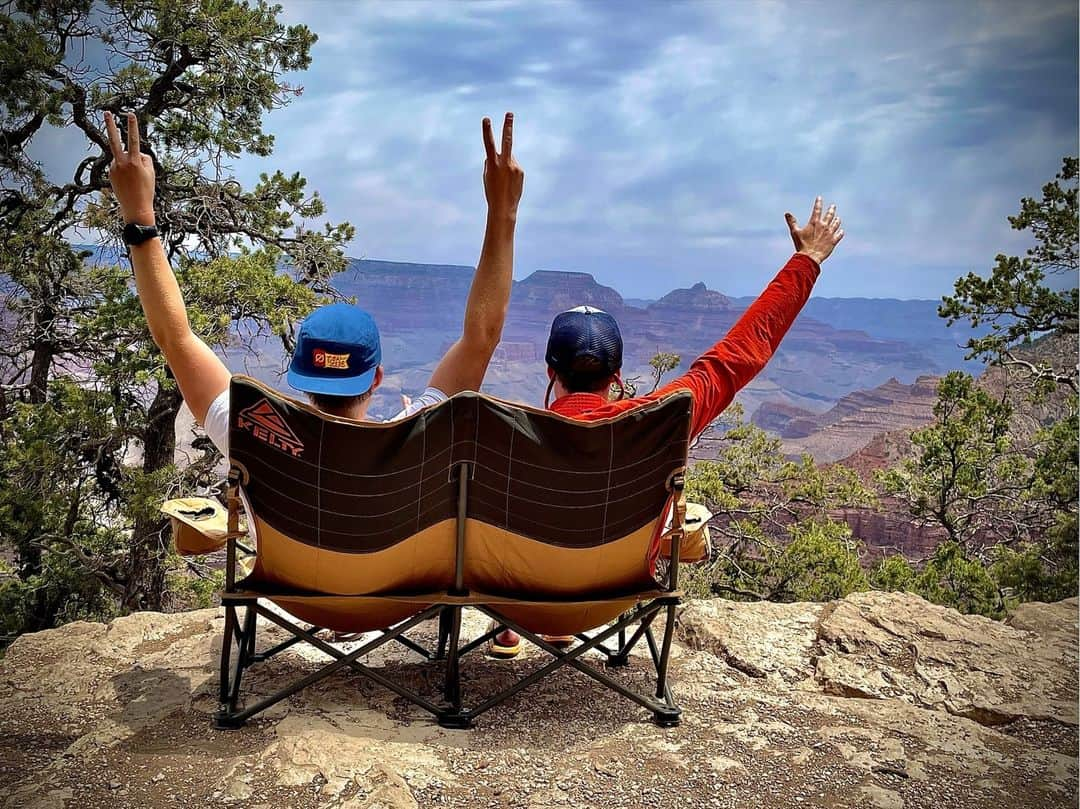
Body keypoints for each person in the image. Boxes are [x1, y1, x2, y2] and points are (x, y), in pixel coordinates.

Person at [488, 196, 844, 658]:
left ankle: (515, 628)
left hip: (522, 594)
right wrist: (807, 260)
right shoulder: (663, 417)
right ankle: (561, 625)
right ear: (617, 377)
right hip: (614, 592)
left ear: (550, 371)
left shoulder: (503, 433)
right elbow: (738, 355)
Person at [104, 109, 524, 454]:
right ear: (376, 378)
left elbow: (174, 338)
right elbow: (481, 338)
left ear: (300, 378)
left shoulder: (258, 444)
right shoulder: (413, 441)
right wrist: (502, 213)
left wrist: (140, 218)